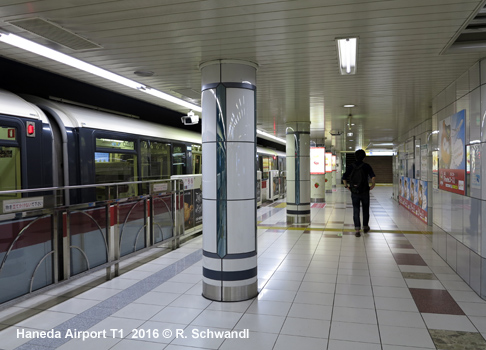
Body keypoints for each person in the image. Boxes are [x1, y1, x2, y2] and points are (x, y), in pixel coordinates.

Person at [342, 149, 376, 237]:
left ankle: (357, 230)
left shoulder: (351, 166)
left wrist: (347, 186)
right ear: (364, 157)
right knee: (365, 209)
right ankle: (365, 227)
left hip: (354, 191)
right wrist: (372, 185)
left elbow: (344, 177)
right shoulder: (366, 166)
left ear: (355, 156)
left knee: (356, 210)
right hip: (365, 191)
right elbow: (373, 176)